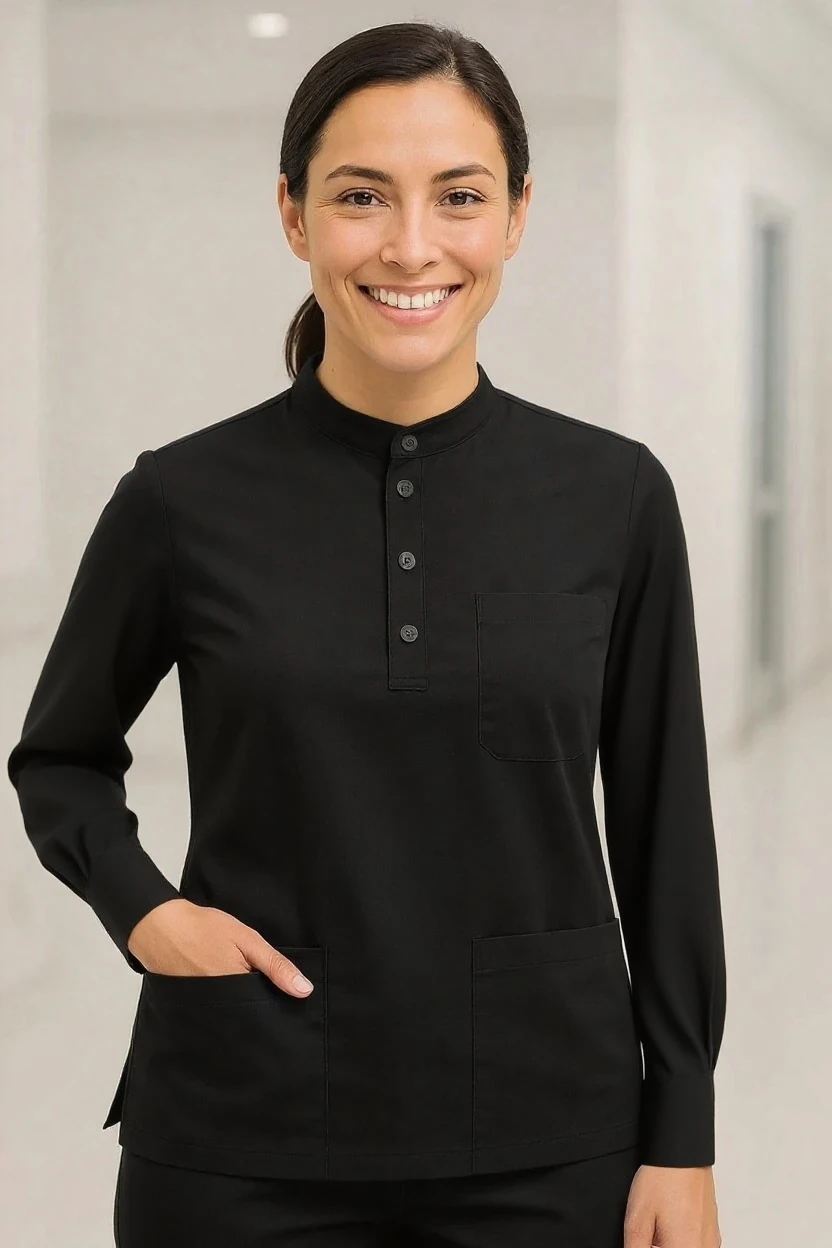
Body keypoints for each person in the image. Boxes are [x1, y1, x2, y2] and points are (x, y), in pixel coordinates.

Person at [6, 19, 726, 1248]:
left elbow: (664, 829)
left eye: (459, 196)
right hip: (240, 1134)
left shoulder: (614, 498)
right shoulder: (181, 501)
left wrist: (684, 1131)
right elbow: (58, 757)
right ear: (292, 214)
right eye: (359, 196)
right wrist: (143, 910)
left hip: (552, 1132)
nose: (410, 245)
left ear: (516, 215)